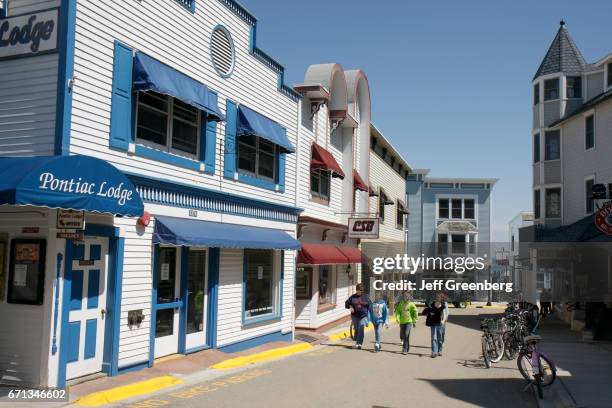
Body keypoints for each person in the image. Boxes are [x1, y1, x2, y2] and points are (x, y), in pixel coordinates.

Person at [345, 283, 372, 349]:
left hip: (363, 316)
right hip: (354, 316)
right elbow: (347, 303)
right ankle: (357, 340)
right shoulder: (352, 297)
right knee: (356, 329)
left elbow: (371, 306)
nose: (361, 291)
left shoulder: (366, 297)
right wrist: (350, 306)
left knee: (361, 328)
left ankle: (359, 344)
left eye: (362, 290)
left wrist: (369, 318)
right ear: (357, 290)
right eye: (360, 290)